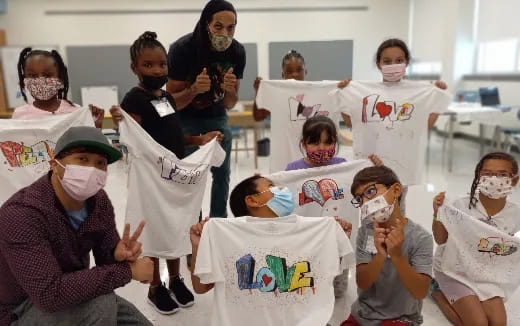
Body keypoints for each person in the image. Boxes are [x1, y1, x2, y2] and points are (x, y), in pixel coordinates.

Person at [110, 31, 223, 315]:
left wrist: (199, 141)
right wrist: (120, 123)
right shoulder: (134, 99)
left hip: (175, 177)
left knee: (179, 226)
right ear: (134, 68)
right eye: (149, 65)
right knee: (156, 229)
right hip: (151, 181)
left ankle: (176, 278)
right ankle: (155, 286)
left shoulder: (168, 99)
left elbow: (172, 135)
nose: (157, 70)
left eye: (162, 64)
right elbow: (135, 140)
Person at [0, 126, 153, 326]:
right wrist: (128, 271)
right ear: (54, 164)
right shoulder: (21, 215)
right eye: (82, 159)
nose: (92, 170)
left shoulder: (98, 201)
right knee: (103, 303)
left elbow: (105, 259)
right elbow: (49, 295)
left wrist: (116, 253)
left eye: (101, 163)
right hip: (19, 310)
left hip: (72, 292)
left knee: (135, 321)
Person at [188, 175, 353, 325]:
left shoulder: (313, 229)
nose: (282, 189)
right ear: (253, 200)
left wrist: (337, 241)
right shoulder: (225, 236)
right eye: (272, 185)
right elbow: (200, 288)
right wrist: (197, 245)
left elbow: (322, 275)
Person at [167, 0, 245, 218]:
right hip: (185, 121)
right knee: (188, 176)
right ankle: (191, 224)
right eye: (218, 26)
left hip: (217, 117)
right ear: (206, 24)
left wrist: (229, 90)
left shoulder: (237, 52)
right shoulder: (182, 49)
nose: (225, 33)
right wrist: (193, 90)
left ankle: (217, 225)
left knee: (222, 174)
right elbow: (170, 102)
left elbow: (230, 103)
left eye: (231, 27)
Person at [431, 152, 519, 326]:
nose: (494, 179)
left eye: (502, 174)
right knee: (478, 324)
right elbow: (441, 240)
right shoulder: (459, 204)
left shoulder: (515, 213)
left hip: (487, 273)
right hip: (454, 270)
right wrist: (437, 213)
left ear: (514, 180)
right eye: (487, 173)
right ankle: (437, 292)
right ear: (478, 177)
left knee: (498, 324)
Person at [342, 165, 433, 326]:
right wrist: (380, 256)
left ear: (396, 190)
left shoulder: (421, 238)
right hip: (364, 314)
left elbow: (420, 291)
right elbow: (362, 283)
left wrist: (397, 256)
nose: (365, 202)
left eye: (370, 192)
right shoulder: (366, 232)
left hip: (402, 318)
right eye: (359, 199)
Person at [14, 48, 105, 128]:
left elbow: (87, 143)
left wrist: (95, 127)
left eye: (47, 75)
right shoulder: (19, 116)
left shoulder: (75, 112)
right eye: (33, 76)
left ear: (60, 78)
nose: (40, 80)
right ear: (24, 79)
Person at [285, 115, 383, 171]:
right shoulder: (292, 169)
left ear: (335, 143)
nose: (322, 148)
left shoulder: (342, 165)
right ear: (304, 144)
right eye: (315, 143)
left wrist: (374, 167)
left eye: (327, 143)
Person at [252, 49, 307, 121]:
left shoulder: (315, 93)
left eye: (299, 70)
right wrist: (258, 92)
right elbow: (258, 117)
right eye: (289, 71)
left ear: (305, 72)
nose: (294, 74)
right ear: (283, 74)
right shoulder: (276, 94)